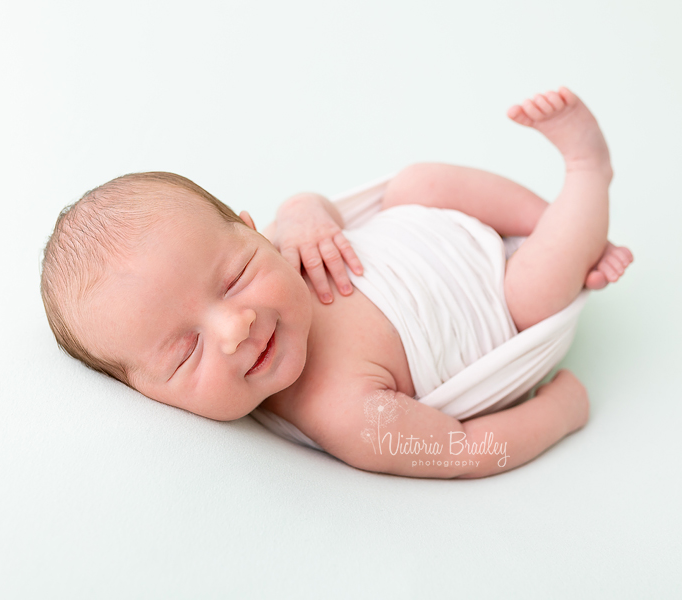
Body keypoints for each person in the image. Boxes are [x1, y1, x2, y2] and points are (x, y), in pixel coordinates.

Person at [40, 87, 632, 479]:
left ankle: (551, 224)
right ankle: (584, 176)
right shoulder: (347, 417)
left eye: (236, 277)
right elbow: (465, 449)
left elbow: (312, 203)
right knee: (537, 288)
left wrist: (304, 212)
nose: (234, 326)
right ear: (150, 397)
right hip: (500, 301)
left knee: (415, 181)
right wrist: (561, 413)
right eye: (186, 351)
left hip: (436, 226)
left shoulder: (285, 246)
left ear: (253, 233)